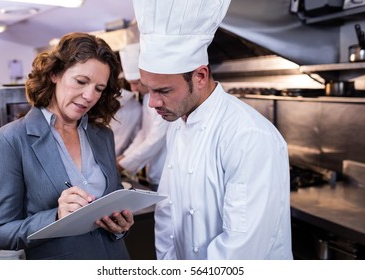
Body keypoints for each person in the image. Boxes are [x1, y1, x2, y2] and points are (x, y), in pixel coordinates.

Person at [132, 0, 293, 259]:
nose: (153, 103)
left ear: (200, 76)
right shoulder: (179, 123)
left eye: (163, 90)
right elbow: (167, 212)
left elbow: (243, 248)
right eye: (149, 89)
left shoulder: (248, 136)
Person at [0, 32, 134, 260]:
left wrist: (120, 224)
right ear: (54, 74)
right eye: (81, 82)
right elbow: (0, 232)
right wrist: (56, 216)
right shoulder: (10, 140)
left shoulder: (102, 135)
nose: (89, 96)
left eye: (99, 88)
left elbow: (111, 204)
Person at [117, 43, 168, 191]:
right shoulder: (146, 98)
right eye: (130, 83)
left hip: (166, 173)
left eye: (136, 83)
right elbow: (144, 133)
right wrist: (124, 157)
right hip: (154, 171)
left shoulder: (162, 99)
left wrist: (123, 164)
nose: (133, 89)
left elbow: (154, 140)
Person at [110, 84, 142, 158]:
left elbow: (135, 136)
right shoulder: (137, 107)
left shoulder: (136, 108)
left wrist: (125, 157)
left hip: (115, 155)